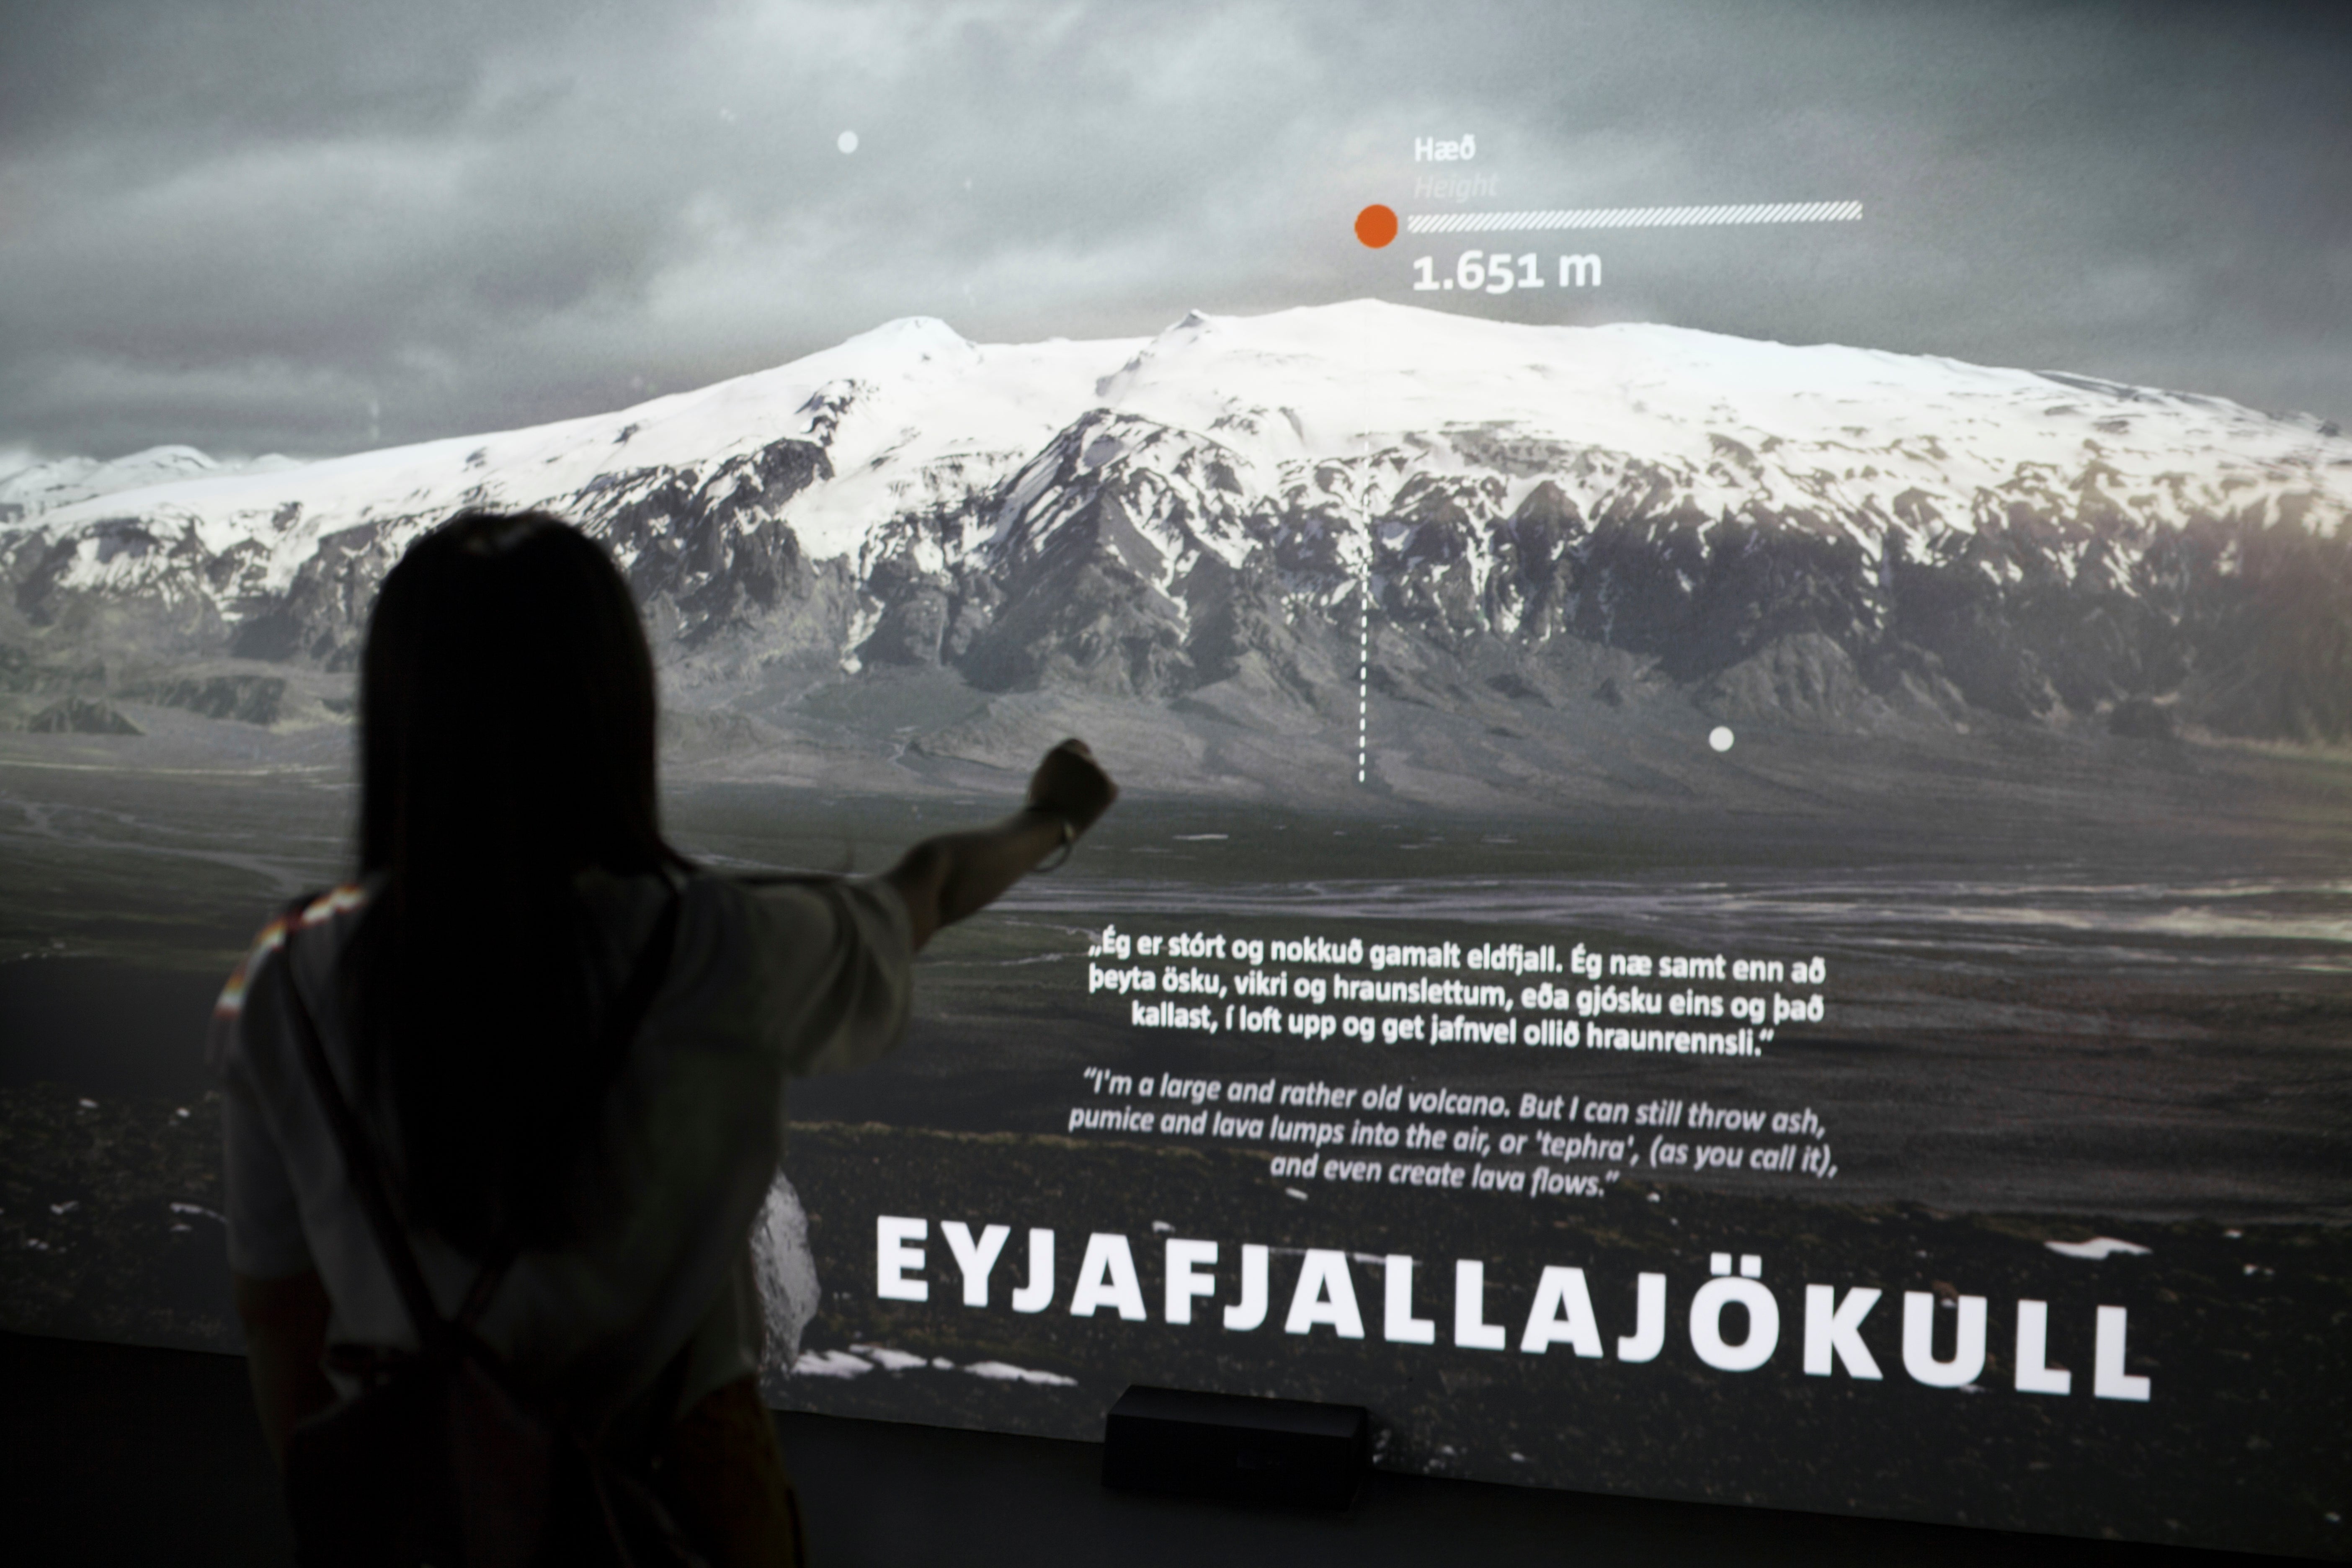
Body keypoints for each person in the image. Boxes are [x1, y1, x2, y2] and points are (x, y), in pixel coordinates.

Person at [209, 509, 1116, 1563]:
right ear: (614, 704)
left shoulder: (289, 977)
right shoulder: (716, 947)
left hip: (414, 1502)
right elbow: (929, 892)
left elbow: (280, 1320)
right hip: (679, 1499)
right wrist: (1052, 816)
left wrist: (360, 1508)